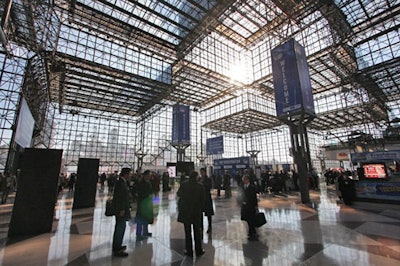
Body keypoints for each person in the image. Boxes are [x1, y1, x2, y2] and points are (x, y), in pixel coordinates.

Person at [177, 171, 205, 257]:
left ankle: (188, 250)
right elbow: (203, 200)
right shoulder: (200, 186)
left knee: (187, 232)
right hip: (196, 212)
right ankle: (198, 250)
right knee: (197, 231)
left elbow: (178, 194)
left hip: (186, 212)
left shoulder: (184, 184)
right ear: (196, 177)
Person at [112, 168, 131, 257]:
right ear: (126, 174)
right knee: (120, 228)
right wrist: (122, 209)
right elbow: (120, 197)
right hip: (121, 210)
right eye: (129, 174)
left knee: (120, 227)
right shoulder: (121, 183)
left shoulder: (122, 182)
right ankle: (117, 249)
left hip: (122, 209)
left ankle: (118, 245)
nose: (130, 175)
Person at [135, 170, 154, 241]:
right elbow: (139, 192)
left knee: (146, 218)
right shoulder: (141, 183)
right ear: (145, 175)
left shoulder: (148, 182)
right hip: (142, 203)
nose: (150, 176)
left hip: (147, 203)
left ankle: (145, 232)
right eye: (149, 175)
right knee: (140, 218)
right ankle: (138, 234)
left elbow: (151, 191)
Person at [240, 175, 258, 241]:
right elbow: (241, 195)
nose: (243, 181)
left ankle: (252, 232)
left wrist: (256, 206)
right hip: (245, 206)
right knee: (247, 219)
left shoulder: (252, 187)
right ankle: (251, 232)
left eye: (244, 180)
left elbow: (254, 197)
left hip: (251, 206)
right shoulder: (243, 187)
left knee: (251, 219)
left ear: (247, 180)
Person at [200, 168, 214, 234]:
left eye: (202, 172)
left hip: (207, 198)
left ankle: (209, 226)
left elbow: (210, 187)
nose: (201, 174)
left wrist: (203, 184)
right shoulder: (199, 179)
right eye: (201, 172)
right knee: (200, 214)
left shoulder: (208, 179)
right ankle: (201, 227)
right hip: (201, 199)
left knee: (208, 214)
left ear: (205, 172)